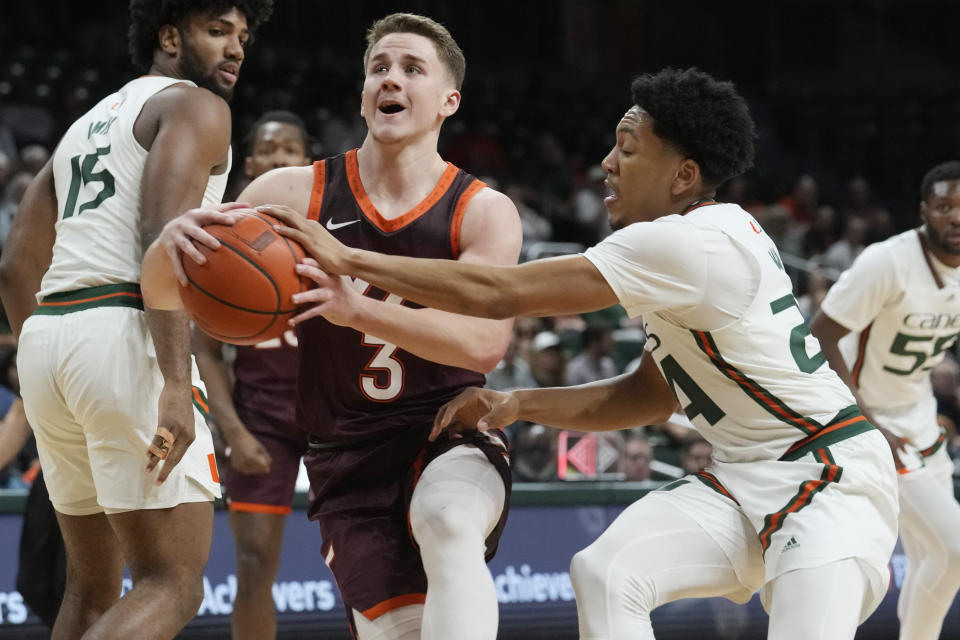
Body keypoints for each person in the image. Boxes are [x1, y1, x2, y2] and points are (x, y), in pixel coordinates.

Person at [266, 67, 900, 639]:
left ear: (683, 176)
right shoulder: (687, 243)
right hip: (744, 476)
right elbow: (648, 394)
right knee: (604, 572)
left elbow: (498, 291)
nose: (606, 163)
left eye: (627, 149)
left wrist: (345, 258)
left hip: (830, 480)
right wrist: (515, 403)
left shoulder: (686, 246)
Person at [143, 13, 521, 640]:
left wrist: (357, 308)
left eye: (411, 69)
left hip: (446, 429)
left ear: (448, 101)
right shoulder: (291, 194)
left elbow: (485, 342)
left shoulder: (481, 211)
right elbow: (162, 287)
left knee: (450, 523)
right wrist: (168, 246)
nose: (389, 80)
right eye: (378, 69)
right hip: (345, 455)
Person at [0, 2, 273, 638]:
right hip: (127, 332)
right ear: (170, 36)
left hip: (51, 336)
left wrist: (52, 363)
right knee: (172, 582)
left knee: (91, 588)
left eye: (243, 36)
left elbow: (15, 263)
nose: (235, 48)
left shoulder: (87, 123)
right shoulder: (198, 107)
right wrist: (175, 382)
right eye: (217, 32)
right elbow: (164, 235)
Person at [809, 160, 960, 640]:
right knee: (952, 551)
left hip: (919, 419)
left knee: (937, 559)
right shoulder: (888, 262)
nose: (955, 217)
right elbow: (821, 336)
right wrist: (867, 423)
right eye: (943, 207)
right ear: (924, 212)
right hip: (867, 425)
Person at [192, 110, 311, 640]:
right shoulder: (223, 234)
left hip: (335, 416)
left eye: (291, 149)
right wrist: (233, 430)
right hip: (261, 418)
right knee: (255, 565)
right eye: (269, 149)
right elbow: (206, 351)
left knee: (361, 563)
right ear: (251, 162)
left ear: (307, 162)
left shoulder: (333, 232)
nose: (281, 158)